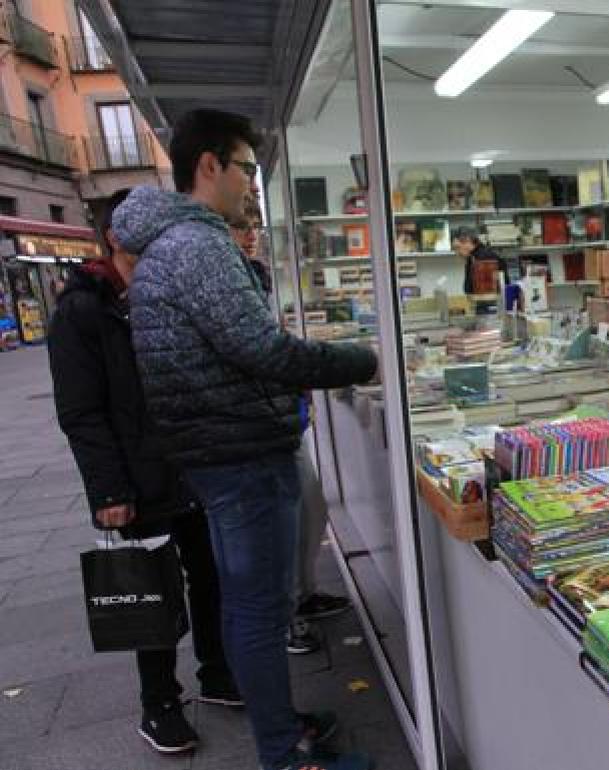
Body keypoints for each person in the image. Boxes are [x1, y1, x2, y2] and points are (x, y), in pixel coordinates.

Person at [114, 108, 377, 770]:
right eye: (246, 168)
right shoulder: (198, 246)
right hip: (243, 458)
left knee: (248, 606)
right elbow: (259, 347)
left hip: (217, 454)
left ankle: (281, 727)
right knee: (259, 611)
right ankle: (286, 754)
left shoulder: (164, 249)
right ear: (210, 166)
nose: (251, 184)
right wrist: (362, 360)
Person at [47, 188, 240, 755]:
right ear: (117, 236)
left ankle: (217, 673)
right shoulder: (83, 310)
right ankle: (158, 703)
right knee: (151, 591)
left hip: (191, 467)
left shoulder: (159, 294)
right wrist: (109, 489)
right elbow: (81, 412)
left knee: (209, 577)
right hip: (135, 479)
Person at [229, 208, 350, 657]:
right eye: (242, 226)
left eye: (254, 226)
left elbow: (274, 341)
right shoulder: (226, 282)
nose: (251, 235)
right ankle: (285, 618)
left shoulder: (254, 277)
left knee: (310, 505)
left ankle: (303, 593)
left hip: (280, 417)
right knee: (279, 522)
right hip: (255, 428)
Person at [451, 224, 500, 295]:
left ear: (467, 240)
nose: (457, 253)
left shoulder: (485, 258)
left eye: (458, 248)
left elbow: (486, 291)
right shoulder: (472, 257)